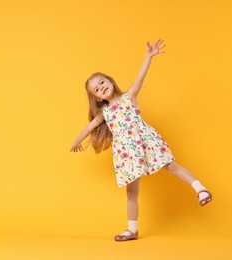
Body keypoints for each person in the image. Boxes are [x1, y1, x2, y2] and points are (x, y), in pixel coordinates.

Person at [70, 39, 212, 242]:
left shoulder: (130, 96)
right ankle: (132, 230)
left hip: (146, 141)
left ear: (110, 81)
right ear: (97, 98)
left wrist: (149, 56)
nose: (101, 88)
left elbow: (140, 76)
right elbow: (89, 127)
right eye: (96, 89)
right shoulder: (105, 112)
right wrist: (77, 142)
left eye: (102, 82)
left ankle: (201, 189)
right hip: (127, 153)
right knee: (131, 192)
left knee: (171, 166)